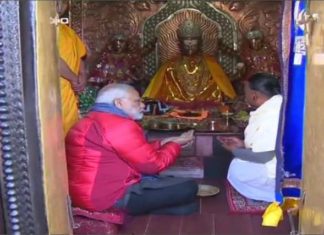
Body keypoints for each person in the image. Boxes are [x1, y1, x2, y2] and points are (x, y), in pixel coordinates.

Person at [65, 83, 199, 215]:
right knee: (189, 187)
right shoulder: (118, 125)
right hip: (105, 199)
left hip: (85, 195)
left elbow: (130, 152)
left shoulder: (93, 119)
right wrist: (175, 145)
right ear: (118, 103)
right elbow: (153, 165)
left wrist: (163, 143)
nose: (142, 105)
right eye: (137, 101)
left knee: (187, 205)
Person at [217, 73, 282, 202]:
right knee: (240, 163)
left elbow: (264, 156)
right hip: (276, 162)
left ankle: (278, 195)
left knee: (238, 168)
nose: (243, 96)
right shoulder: (271, 108)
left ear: (254, 96)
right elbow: (266, 142)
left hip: (280, 170)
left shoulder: (272, 115)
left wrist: (235, 151)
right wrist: (242, 144)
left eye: (245, 92)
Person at [143, 19, 237, 108]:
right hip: (175, 105)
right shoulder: (170, 65)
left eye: (193, 40)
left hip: (206, 105)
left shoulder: (211, 63)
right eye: (187, 40)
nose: (190, 43)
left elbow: (223, 87)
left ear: (199, 42)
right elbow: (157, 90)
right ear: (180, 42)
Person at [57, 0, 87, 135]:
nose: (58, 6)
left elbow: (80, 55)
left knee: (69, 137)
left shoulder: (68, 31)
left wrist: (82, 75)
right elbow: (51, 59)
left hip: (70, 92)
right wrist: (74, 78)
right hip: (55, 93)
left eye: (61, 2)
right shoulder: (43, 31)